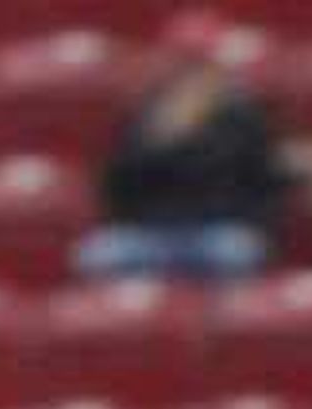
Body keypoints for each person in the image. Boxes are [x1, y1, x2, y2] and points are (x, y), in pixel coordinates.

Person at [76, 23, 293, 283]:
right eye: (184, 64)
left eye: (199, 65)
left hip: (215, 230)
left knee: (237, 252)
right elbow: (115, 186)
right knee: (99, 255)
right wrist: (160, 138)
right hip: (150, 231)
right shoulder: (144, 114)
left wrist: (192, 138)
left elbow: (259, 183)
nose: (191, 76)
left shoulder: (242, 117)